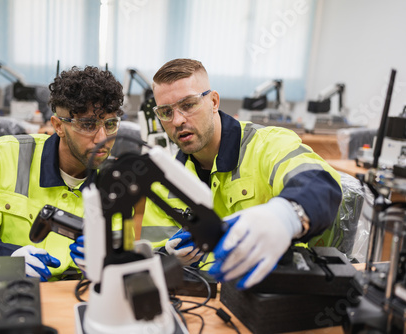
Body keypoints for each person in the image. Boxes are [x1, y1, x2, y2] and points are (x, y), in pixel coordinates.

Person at [141, 58, 342, 289]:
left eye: (188, 105)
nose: (177, 120)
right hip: (203, 299)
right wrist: (168, 258)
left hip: (271, 289)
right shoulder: (164, 180)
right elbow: (152, 255)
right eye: (166, 112)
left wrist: (285, 215)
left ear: (213, 101)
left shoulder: (268, 145)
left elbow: (320, 183)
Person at [0, 66, 124, 281]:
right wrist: (8, 258)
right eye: (88, 125)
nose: (103, 138)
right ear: (58, 126)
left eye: (110, 124)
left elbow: (121, 255)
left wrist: (104, 265)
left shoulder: (118, 183)